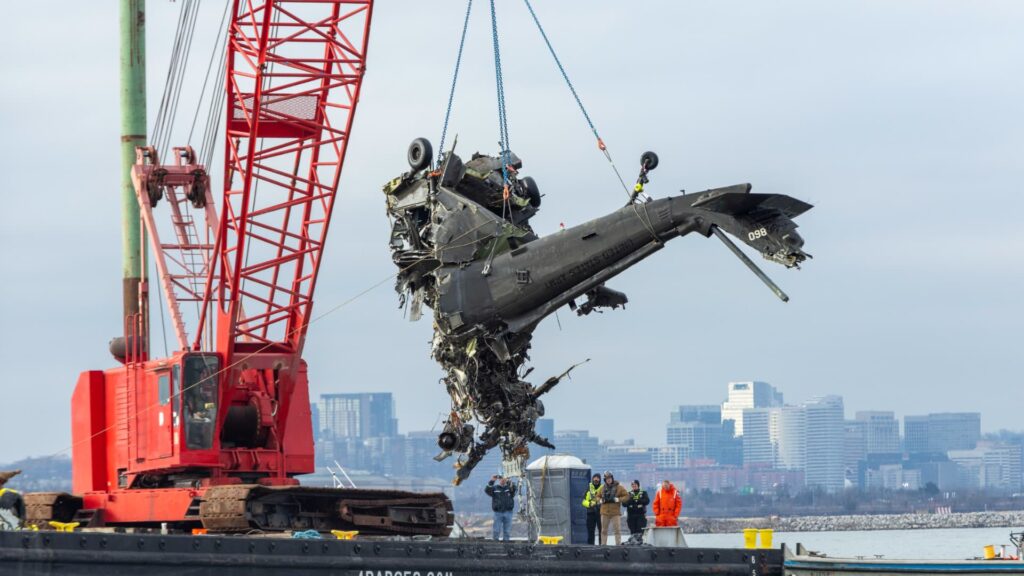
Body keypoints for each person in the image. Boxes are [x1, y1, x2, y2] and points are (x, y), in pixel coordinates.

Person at [595, 471, 629, 545]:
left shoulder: (619, 487)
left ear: (612, 478)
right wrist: (600, 500)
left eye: (610, 478)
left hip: (615, 513)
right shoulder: (602, 488)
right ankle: (603, 545)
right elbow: (597, 496)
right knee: (603, 530)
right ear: (605, 480)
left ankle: (618, 545)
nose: (608, 480)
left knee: (617, 530)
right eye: (607, 478)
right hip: (604, 512)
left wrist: (618, 499)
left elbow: (627, 496)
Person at [484, 474, 517, 541]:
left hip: (508, 512)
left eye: (504, 478)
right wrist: (492, 480)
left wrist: (508, 481)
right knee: (496, 530)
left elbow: (515, 489)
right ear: (499, 479)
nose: (502, 480)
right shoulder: (495, 488)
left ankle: (506, 543)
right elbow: (487, 490)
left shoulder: (509, 488)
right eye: (501, 478)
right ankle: (495, 542)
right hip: (498, 513)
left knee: (507, 530)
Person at [581, 473, 602, 545]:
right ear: (592, 479)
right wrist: (589, 504)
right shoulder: (588, 488)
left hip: (600, 513)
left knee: (601, 531)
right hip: (590, 513)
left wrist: (599, 503)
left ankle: (601, 546)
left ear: (600, 479)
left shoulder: (603, 488)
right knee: (590, 532)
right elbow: (583, 501)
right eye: (595, 478)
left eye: (598, 478)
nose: (596, 479)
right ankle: (590, 546)